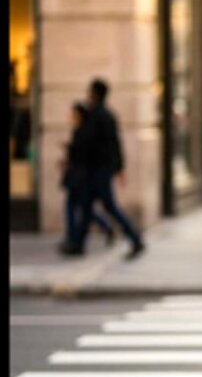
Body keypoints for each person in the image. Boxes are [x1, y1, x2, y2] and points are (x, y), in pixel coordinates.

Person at [60, 78, 146, 260]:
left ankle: (135, 238)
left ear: (94, 94)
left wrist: (73, 150)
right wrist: (120, 168)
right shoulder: (107, 115)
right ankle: (78, 243)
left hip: (96, 171)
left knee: (107, 206)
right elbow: (116, 144)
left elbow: (87, 143)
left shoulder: (95, 116)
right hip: (100, 169)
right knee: (87, 206)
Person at [59, 102, 115, 251]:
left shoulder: (83, 132)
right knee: (84, 208)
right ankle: (103, 228)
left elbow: (80, 154)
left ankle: (74, 239)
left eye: (73, 114)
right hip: (80, 176)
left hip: (79, 177)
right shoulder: (82, 131)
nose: (70, 117)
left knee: (76, 207)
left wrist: (69, 152)